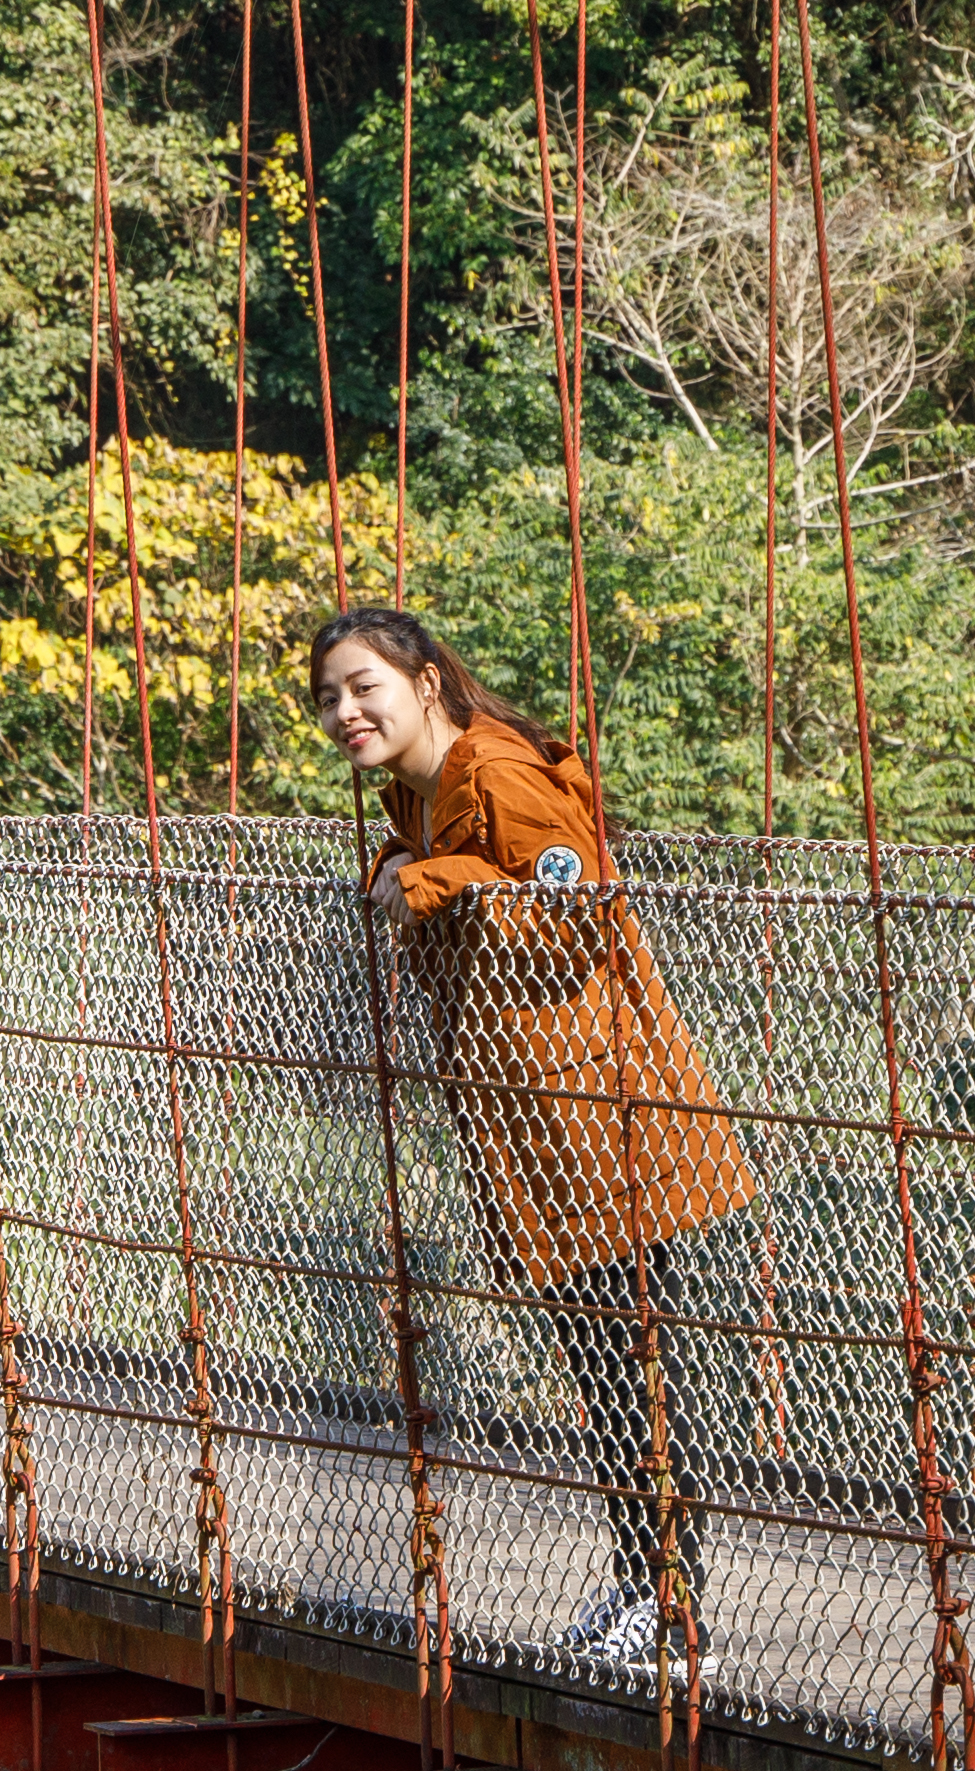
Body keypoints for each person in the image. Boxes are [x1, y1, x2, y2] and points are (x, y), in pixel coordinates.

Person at [301, 605, 761, 1680]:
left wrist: (429, 882)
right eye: (328, 697)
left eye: (364, 685)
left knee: (633, 1370)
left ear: (426, 679)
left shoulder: (494, 775)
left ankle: (671, 1608)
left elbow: (580, 905)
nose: (346, 711)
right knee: (605, 1374)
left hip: (607, 1123)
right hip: (538, 1135)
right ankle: (646, 1586)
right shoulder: (420, 802)